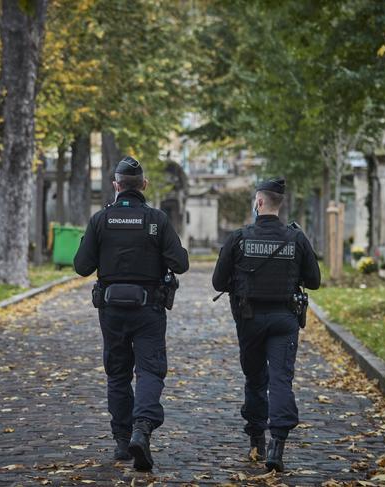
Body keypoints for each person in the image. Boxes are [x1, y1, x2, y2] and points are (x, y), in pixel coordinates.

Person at [74, 156, 189, 471]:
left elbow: (82, 266)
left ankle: (122, 441)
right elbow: (181, 263)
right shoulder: (157, 220)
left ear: (115, 186)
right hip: (149, 308)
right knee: (150, 371)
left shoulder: (100, 220)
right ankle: (143, 428)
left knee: (118, 373)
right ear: (144, 186)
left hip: (112, 309)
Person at [211, 177, 321, 472]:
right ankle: (278, 445)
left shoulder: (239, 237)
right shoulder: (296, 238)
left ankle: (257, 438)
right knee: (281, 380)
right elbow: (314, 281)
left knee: (255, 378)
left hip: (249, 319)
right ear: (279, 204)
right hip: (285, 319)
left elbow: (218, 282)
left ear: (258, 203)